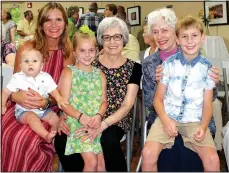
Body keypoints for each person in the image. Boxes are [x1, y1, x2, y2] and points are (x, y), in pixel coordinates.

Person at [55, 17, 142, 172]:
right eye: (107, 37)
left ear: (125, 39)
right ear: (101, 41)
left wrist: (102, 124)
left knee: (107, 140)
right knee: (62, 138)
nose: (112, 42)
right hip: (81, 114)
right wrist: (63, 116)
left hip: (115, 119)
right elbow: (68, 96)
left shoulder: (134, 67)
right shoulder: (89, 63)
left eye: (117, 37)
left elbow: (127, 105)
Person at [142, 8, 220, 172]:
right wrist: (165, 119)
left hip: (194, 120)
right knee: (150, 154)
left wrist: (204, 126)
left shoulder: (204, 65)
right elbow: (153, 100)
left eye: (164, 30)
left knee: (210, 159)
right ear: (179, 38)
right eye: (155, 32)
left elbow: (209, 101)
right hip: (166, 118)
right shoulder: (158, 64)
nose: (160, 36)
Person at [1, 2, 74, 171]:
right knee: (8, 135)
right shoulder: (27, 48)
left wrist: (45, 103)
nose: (54, 25)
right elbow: (14, 86)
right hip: (19, 108)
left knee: (26, 140)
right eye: (48, 20)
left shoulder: (68, 54)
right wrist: (16, 97)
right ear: (40, 24)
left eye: (59, 20)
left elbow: (63, 95)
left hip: (49, 110)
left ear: (65, 24)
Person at [59, 25, 107, 171]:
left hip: (94, 123)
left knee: (101, 165)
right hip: (76, 122)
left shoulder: (100, 74)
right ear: (74, 52)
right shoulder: (69, 73)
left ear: (97, 51)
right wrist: (80, 117)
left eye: (91, 50)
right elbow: (64, 103)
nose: (87, 55)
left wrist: (99, 116)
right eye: (82, 50)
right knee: (91, 163)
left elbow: (104, 101)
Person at [2, 48, 67, 143]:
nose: (30, 64)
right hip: (24, 111)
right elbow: (5, 92)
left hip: (43, 110)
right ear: (21, 65)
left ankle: (54, 135)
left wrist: (59, 98)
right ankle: (45, 135)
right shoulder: (18, 77)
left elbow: (53, 90)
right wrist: (2, 104)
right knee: (33, 118)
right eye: (26, 61)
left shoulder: (46, 77)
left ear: (41, 66)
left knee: (55, 119)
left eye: (34, 61)